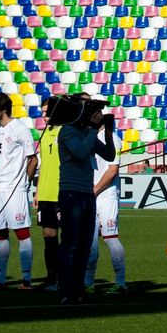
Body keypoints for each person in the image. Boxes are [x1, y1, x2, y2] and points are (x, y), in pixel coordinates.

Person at [54, 97, 116, 302]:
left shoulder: (85, 132)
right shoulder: (68, 131)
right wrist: (92, 128)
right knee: (71, 242)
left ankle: (78, 288)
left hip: (86, 194)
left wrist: (107, 133)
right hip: (71, 192)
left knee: (84, 243)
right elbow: (80, 153)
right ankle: (65, 289)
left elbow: (108, 154)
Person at [0, 92, 39, 289]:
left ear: (3, 109)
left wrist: (24, 182)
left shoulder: (20, 129)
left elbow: (32, 159)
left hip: (14, 189)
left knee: (22, 233)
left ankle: (26, 279)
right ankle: (0, 278)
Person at [85, 133, 129, 295]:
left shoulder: (112, 138)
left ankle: (120, 282)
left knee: (110, 237)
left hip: (106, 195)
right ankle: (88, 282)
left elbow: (112, 170)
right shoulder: (88, 135)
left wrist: (95, 190)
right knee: (90, 239)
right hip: (90, 194)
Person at [36, 105, 65, 289]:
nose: (44, 116)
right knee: (48, 235)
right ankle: (51, 277)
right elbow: (44, 165)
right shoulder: (45, 133)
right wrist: (38, 190)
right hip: (46, 192)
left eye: (47, 112)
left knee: (68, 236)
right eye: (42, 112)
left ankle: (67, 277)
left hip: (61, 191)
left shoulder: (65, 132)